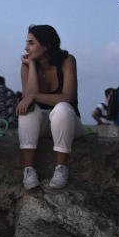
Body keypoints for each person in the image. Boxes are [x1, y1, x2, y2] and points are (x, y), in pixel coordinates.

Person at [16, 24, 84, 190]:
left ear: (46, 46)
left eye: (31, 43)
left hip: (69, 122)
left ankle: (61, 168)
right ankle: (29, 170)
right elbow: (28, 100)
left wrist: (34, 96)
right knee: (28, 112)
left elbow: (68, 97)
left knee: (62, 108)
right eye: (26, 42)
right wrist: (31, 65)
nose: (26, 47)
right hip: (43, 125)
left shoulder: (67, 61)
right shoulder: (26, 65)